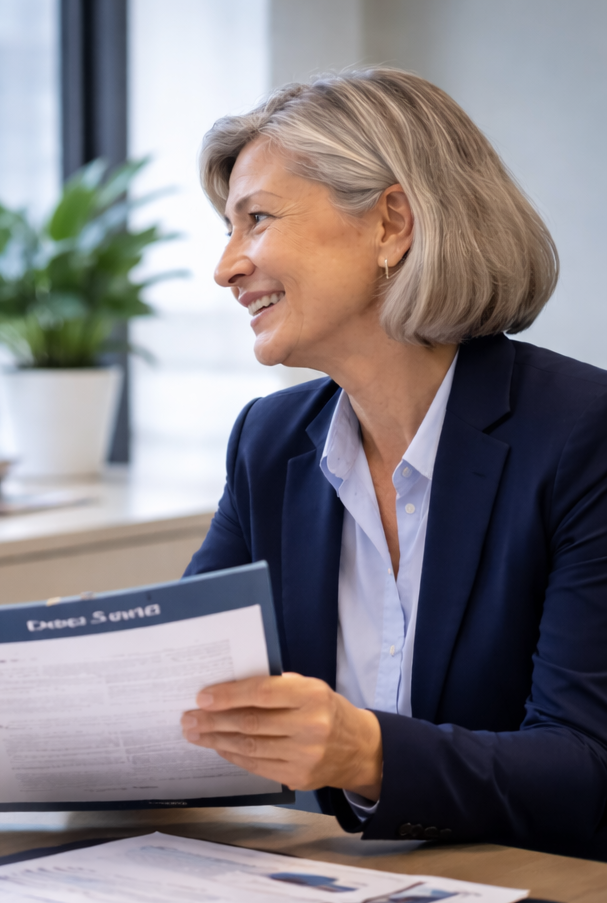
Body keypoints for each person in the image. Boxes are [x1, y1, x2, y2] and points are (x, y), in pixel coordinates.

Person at [178, 68, 607, 858]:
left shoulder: (585, 437)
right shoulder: (268, 443)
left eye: (258, 220)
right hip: (330, 894)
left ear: (391, 224)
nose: (227, 266)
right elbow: (185, 683)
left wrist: (365, 752)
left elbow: (588, 768)